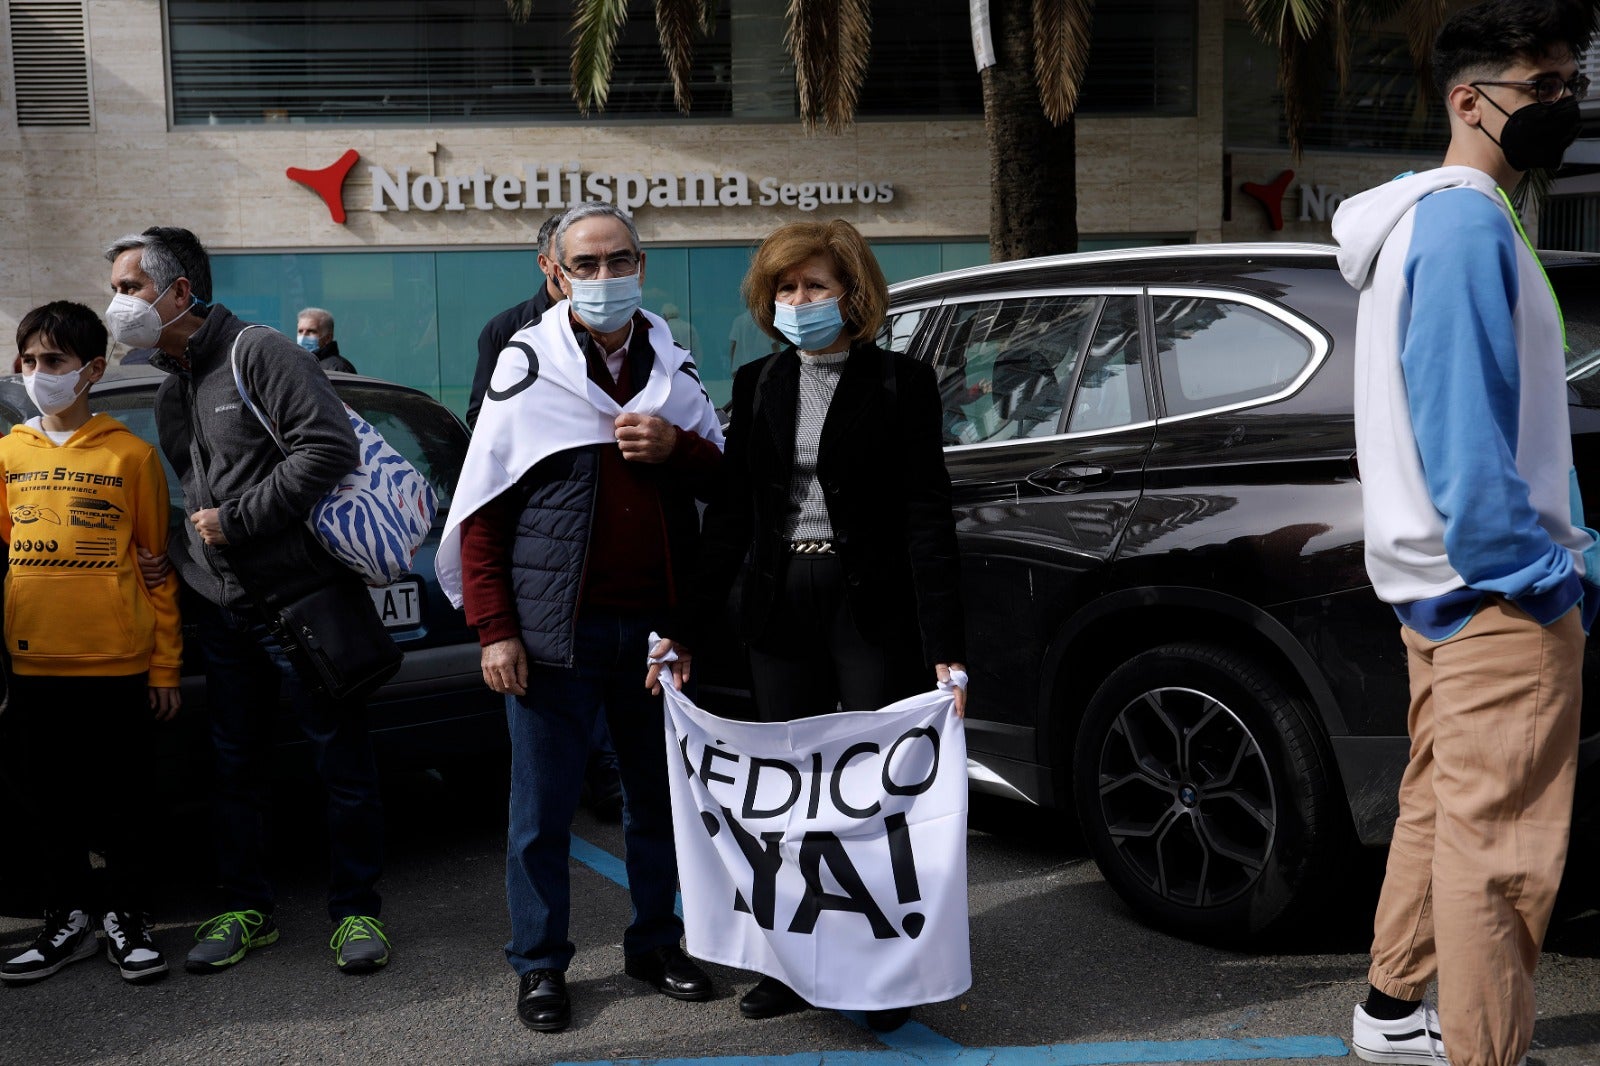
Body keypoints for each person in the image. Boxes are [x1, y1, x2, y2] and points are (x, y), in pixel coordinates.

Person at [1330, 4, 1597, 1065]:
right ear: (1468, 100)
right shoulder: (1463, 222)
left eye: (1570, 85)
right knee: (1503, 857)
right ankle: (1484, 1053)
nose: (1563, 107)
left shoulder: (1421, 221)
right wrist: (1545, 580)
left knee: (1442, 809)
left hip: (1439, 589)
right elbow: (1461, 431)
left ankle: (1394, 1009)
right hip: (1495, 597)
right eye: (1542, 87)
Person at [647, 218, 966, 1033]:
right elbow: (730, 519)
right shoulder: (758, 382)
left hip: (869, 605)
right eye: (785, 289)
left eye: (814, 286)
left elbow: (927, 517)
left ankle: (875, 968)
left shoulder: (902, 383)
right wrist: (681, 629)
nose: (798, 301)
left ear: (852, 295)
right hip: (776, 600)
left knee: (867, 792)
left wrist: (945, 653)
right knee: (789, 792)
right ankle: (791, 965)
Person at [451, 201, 725, 1033]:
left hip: (652, 635)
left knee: (656, 802)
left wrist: (679, 450)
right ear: (554, 274)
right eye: (588, 265)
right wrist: (494, 628)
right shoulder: (524, 367)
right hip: (549, 639)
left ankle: (655, 943)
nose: (607, 278)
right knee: (541, 816)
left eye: (621, 261)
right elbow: (484, 509)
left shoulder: (673, 366)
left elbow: (727, 487)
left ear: (643, 264)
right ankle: (539, 966)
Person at [103, 226, 392, 976]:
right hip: (223, 613)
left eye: (129, 288)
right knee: (235, 767)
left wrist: (237, 520)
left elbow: (329, 447)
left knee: (342, 763)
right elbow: (190, 492)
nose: (118, 303)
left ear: (178, 292)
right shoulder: (171, 387)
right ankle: (246, 908)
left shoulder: (260, 352)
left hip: (300, 604)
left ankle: (357, 910)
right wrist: (173, 557)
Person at [0, 302, 181, 986]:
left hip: (118, 667)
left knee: (125, 803)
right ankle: (63, 920)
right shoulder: (8, 454)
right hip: (34, 663)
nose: (38, 373)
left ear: (92, 370)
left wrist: (165, 669)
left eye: (54, 361)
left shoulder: (130, 455)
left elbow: (156, 571)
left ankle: (128, 918)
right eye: (30, 360)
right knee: (49, 805)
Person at [466, 211, 566, 428]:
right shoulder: (505, 330)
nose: (575, 266)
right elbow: (481, 416)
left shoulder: (622, 326)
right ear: (544, 264)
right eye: (564, 255)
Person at [295, 307, 357, 373]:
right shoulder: (297, 364)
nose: (303, 336)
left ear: (328, 338)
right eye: (300, 331)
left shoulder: (338, 368)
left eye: (311, 331)